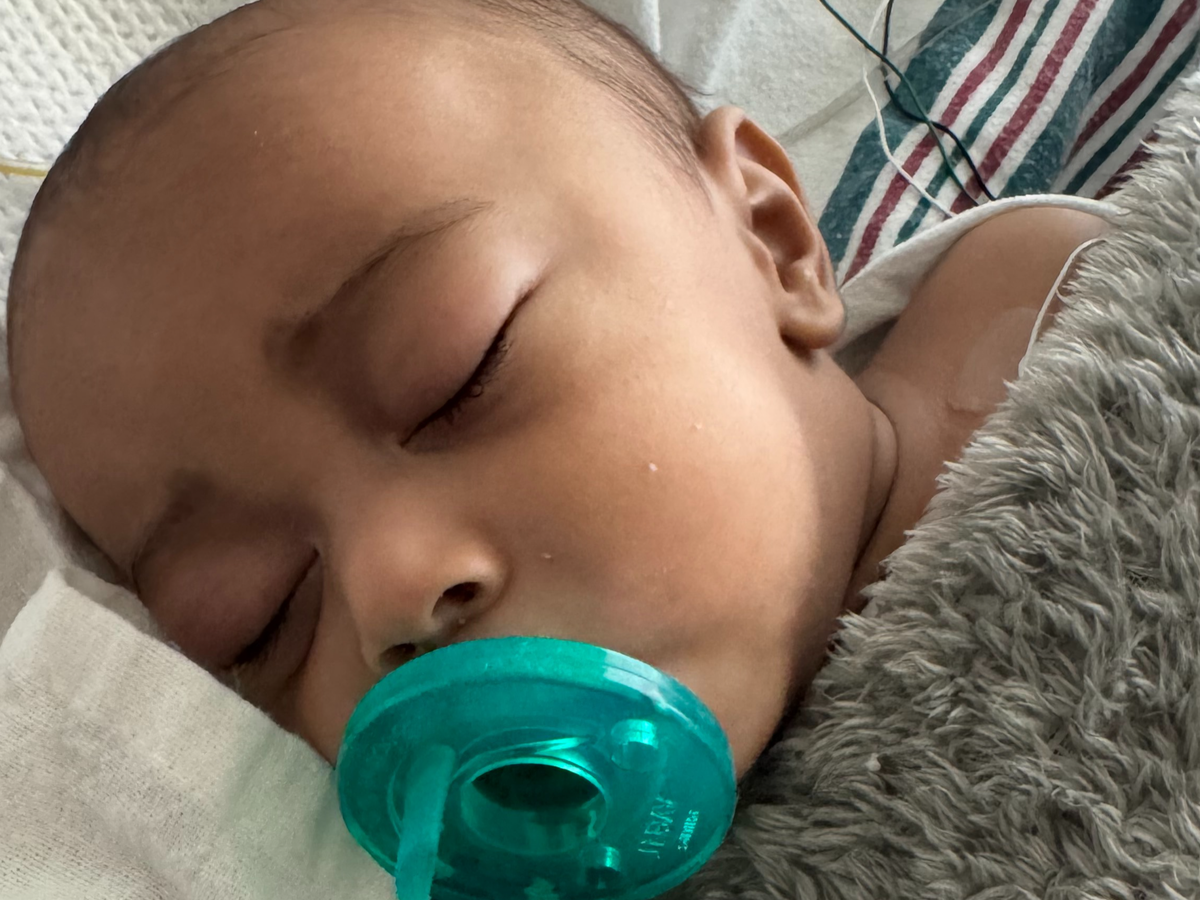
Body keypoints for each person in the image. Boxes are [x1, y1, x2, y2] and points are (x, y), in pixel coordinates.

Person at [4, 0, 1107, 777]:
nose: (391, 595)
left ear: (770, 239)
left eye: (457, 373)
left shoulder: (1056, 320)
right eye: (259, 616)